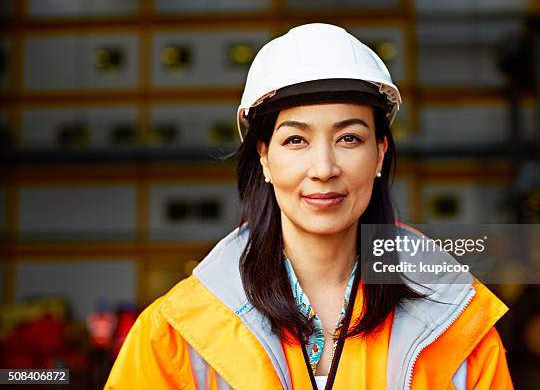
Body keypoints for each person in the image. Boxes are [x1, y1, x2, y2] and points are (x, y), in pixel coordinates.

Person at [105, 23, 513, 390]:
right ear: (264, 157)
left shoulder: (456, 326)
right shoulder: (177, 336)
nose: (323, 169)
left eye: (349, 138)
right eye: (295, 140)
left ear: (380, 154)